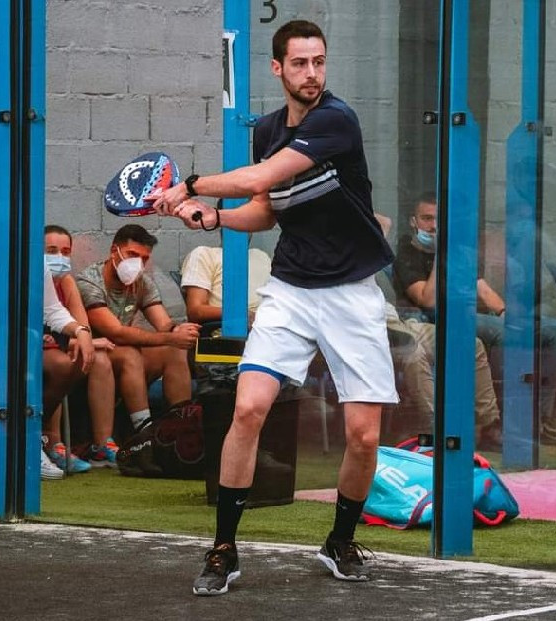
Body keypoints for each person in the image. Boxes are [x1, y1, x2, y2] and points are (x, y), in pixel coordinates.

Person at [153, 20, 398, 594]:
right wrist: (213, 218)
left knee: (364, 436)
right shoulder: (267, 129)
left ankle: (340, 540)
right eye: (300, 63)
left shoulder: (336, 120)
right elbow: (267, 207)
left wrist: (192, 186)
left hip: (352, 292)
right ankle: (223, 548)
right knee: (247, 409)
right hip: (290, 291)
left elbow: (262, 176)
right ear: (277, 68)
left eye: (319, 62)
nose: (312, 73)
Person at [392, 193, 556, 446]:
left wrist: (506, 314)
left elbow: (483, 289)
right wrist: (441, 254)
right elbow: (427, 299)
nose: (434, 226)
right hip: (438, 319)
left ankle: (539, 419)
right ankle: (503, 420)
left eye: (439, 219)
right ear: (413, 221)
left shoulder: (458, 252)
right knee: (504, 335)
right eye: (427, 218)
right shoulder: (407, 253)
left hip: (473, 315)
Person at [0, 203, 95, 480]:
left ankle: (27, 438)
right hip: (1, 340)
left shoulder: (35, 263)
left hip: (17, 340)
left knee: (64, 365)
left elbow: (52, 310)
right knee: (11, 354)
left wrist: (80, 330)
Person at [75, 224, 199, 439]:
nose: (138, 264)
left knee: (174, 350)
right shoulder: (89, 281)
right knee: (131, 353)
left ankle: (181, 430)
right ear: (114, 251)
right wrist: (170, 336)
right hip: (92, 355)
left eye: (144, 258)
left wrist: (180, 331)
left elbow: (163, 323)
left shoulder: (142, 283)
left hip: (122, 354)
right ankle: (144, 433)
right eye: (132, 255)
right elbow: (115, 332)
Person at [44, 225, 118, 468]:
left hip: (60, 343)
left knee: (100, 359)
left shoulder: (66, 281)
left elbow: (81, 325)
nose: (59, 258)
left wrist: (82, 337)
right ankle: (52, 443)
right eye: (51, 251)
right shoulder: (28, 274)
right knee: (58, 361)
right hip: (38, 346)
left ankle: (102, 445)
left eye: (65, 252)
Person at [180, 237, 271, 327]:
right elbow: (195, 312)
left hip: (266, 325)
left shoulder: (261, 256)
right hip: (229, 327)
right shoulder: (204, 254)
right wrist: (239, 314)